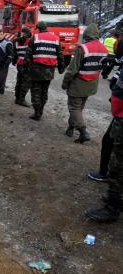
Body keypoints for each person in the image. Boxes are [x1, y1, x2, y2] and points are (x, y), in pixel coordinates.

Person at [85, 61, 123, 222]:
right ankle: (115, 199)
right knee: (109, 144)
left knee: (118, 164)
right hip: (119, 115)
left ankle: (113, 208)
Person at [88, 21, 123, 182]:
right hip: (118, 112)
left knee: (115, 146)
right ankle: (106, 172)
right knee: (109, 141)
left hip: (121, 114)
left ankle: (112, 186)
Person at [61, 24, 108, 143]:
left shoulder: (83, 48)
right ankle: (70, 128)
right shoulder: (104, 49)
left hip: (78, 84)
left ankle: (83, 132)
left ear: (87, 34)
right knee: (78, 108)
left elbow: (72, 70)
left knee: (74, 108)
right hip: (91, 84)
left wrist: (65, 83)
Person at [25, 21, 64, 120]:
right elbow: (60, 55)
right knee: (44, 91)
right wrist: (61, 68)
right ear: (46, 28)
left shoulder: (35, 38)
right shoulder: (56, 39)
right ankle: (41, 109)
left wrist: (25, 67)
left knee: (35, 91)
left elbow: (28, 54)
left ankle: (37, 112)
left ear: (38, 29)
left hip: (36, 70)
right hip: (49, 71)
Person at [12, 27, 32, 107]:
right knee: (26, 82)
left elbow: (15, 54)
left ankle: (17, 98)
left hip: (19, 64)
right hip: (26, 64)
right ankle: (22, 99)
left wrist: (14, 62)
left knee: (19, 81)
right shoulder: (30, 41)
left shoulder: (16, 41)